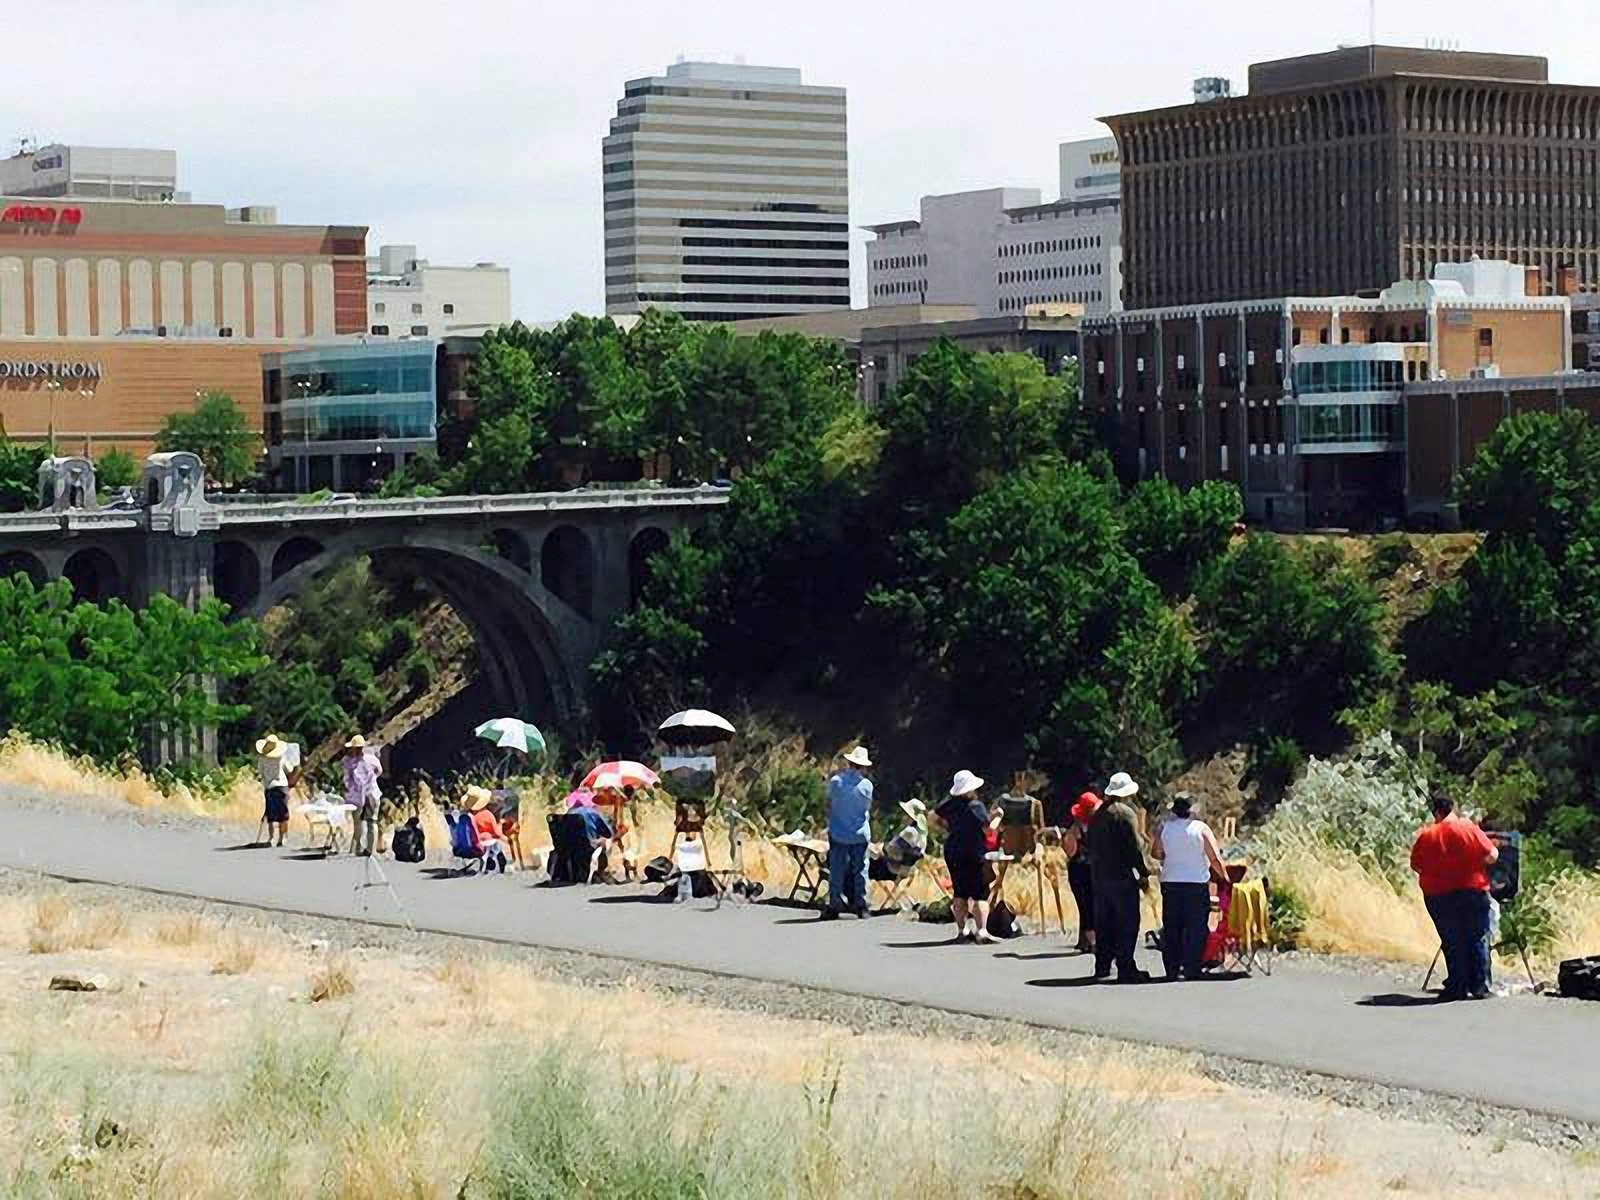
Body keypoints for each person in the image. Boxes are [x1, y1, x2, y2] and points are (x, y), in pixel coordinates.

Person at [1410, 793, 1498, 1001]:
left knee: (1451, 939)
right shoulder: (1468, 828)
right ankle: (1479, 987)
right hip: (1472, 890)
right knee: (1477, 936)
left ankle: (1456, 986)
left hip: (1438, 895)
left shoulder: (1426, 835)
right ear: (1453, 809)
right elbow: (1493, 855)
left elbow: (1415, 865)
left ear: (1436, 812)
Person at [1151, 792, 1228, 981]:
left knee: (1172, 926)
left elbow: (1155, 852)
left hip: (1171, 883)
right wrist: (1224, 876)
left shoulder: (1165, 828)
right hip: (1196, 884)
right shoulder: (1201, 829)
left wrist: (1168, 857)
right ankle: (1191, 966)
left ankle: (1172, 967)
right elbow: (1214, 857)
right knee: (1195, 927)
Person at [1088, 771, 1151, 983]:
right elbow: (1134, 848)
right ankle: (1126, 967)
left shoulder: (1098, 814)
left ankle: (1102, 964)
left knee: (1104, 922)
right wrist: (1143, 872)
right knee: (1127, 921)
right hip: (1121, 876)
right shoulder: (1125, 813)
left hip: (1099, 875)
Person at [934, 770, 995, 944]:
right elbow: (986, 828)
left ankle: (962, 930)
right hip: (973, 850)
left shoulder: (950, 805)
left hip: (953, 849)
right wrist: (997, 816)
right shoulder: (976, 806)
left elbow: (933, 817)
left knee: (959, 892)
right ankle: (982, 930)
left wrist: (948, 828)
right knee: (980, 892)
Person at [821, 746, 874, 920]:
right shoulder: (867, 786)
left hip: (839, 831)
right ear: (863, 767)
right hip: (859, 833)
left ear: (849, 763)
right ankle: (861, 904)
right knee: (860, 869)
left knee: (837, 868)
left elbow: (829, 803)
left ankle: (835, 902)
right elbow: (867, 807)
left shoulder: (836, 781)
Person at [1062, 792, 1100, 954]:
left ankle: (1087, 940)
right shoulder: (1100, 826)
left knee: (1083, 905)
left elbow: (1070, 851)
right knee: (1094, 904)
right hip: (1096, 867)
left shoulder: (1075, 829)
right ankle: (1091, 940)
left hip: (1078, 868)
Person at [343, 735, 383, 857]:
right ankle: (370, 849)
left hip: (358, 795)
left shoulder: (349, 762)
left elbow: (347, 780)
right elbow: (379, 770)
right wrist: (372, 779)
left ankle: (358, 848)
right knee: (372, 821)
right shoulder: (372, 759)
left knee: (359, 822)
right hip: (371, 792)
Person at [254, 734, 297, 848]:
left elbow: (260, 772)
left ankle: (271, 838)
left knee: (271, 813)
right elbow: (289, 769)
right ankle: (282, 838)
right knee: (283, 814)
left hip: (269, 787)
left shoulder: (262, 759)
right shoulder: (281, 757)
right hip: (282, 786)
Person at [871, 799, 929, 882]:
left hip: (892, 869)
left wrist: (879, 847)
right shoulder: (921, 835)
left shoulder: (910, 833)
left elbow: (892, 850)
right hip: (903, 869)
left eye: (905, 813)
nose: (902, 815)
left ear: (911, 818)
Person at [465, 785, 509, 872]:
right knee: (496, 845)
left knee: (489, 844)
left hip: (477, 841)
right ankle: (495, 857)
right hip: (488, 840)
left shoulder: (473, 817)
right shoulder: (488, 815)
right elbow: (495, 832)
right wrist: (503, 838)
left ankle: (490, 858)